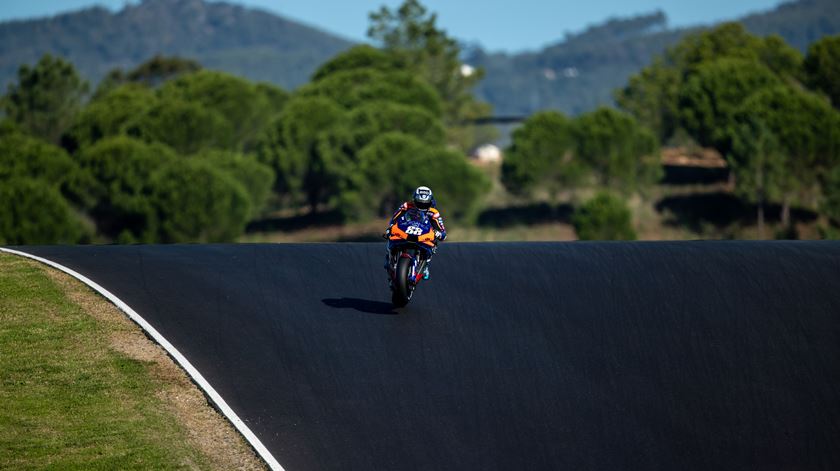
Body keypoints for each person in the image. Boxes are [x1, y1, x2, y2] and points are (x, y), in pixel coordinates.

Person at [383, 186, 447, 280]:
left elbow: (442, 231)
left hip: (423, 234)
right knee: (390, 235)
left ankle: (425, 265)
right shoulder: (406, 206)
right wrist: (390, 227)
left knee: (434, 244)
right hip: (406, 230)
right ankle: (390, 257)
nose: (422, 207)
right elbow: (394, 218)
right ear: (414, 200)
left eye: (425, 204)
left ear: (431, 202)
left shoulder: (434, 213)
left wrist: (439, 234)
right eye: (420, 203)